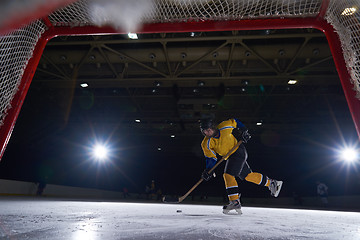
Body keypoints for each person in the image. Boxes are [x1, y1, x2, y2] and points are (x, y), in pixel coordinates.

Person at [199, 118, 283, 214]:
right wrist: (209, 170)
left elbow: (235, 122)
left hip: (238, 151)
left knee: (228, 175)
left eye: (209, 129)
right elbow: (211, 158)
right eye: (204, 131)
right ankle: (271, 183)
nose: (207, 132)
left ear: (213, 127)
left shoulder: (224, 126)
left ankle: (234, 201)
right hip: (231, 157)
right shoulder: (206, 143)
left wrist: (244, 131)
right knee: (248, 176)